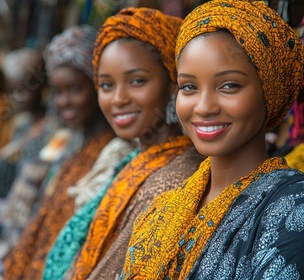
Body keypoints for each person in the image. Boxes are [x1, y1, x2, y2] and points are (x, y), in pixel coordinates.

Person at [120, 1, 304, 279]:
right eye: (189, 87)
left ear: (269, 90)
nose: (203, 107)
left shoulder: (303, 206)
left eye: (229, 86)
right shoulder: (161, 211)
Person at [61, 7, 205, 280]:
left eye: (137, 81)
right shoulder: (135, 161)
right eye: (106, 85)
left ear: (173, 83)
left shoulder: (176, 178)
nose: (118, 99)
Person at [1, 25, 118, 280]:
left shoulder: (113, 153)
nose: (64, 101)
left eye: (75, 89)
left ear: (97, 84)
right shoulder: (64, 139)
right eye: (57, 92)